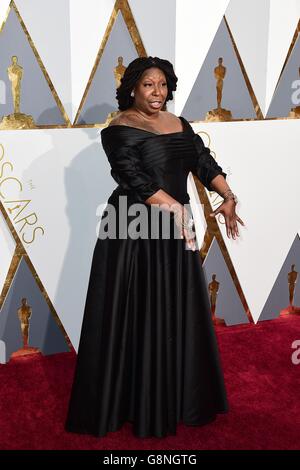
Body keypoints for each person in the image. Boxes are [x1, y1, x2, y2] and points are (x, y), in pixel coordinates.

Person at [65, 56, 244, 439]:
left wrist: (227, 194)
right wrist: (178, 209)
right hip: (134, 229)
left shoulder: (179, 124)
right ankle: (132, 400)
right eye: (148, 85)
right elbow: (136, 179)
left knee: (175, 308)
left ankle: (179, 397)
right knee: (139, 310)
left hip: (177, 225)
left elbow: (202, 160)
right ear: (133, 87)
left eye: (162, 85)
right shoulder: (118, 129)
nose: (157, 92)